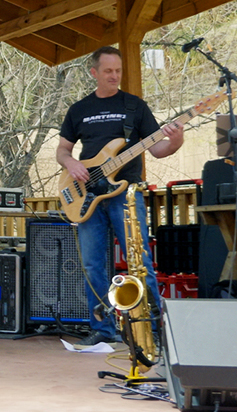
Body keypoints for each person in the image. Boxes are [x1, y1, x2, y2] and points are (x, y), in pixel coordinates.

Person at [56, 46, 184, 346]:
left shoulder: (134, 106)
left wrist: (175, 142)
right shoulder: (79, 110)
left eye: (118, 71)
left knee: (139, 260)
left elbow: (157, 149)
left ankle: (150, 329)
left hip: (125, 193)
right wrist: (71, 163)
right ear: (94, 73)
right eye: (108, 71)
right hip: (87, 196)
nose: (114, 76)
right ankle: (102, 329)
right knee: (92, 264)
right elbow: (62, 150)